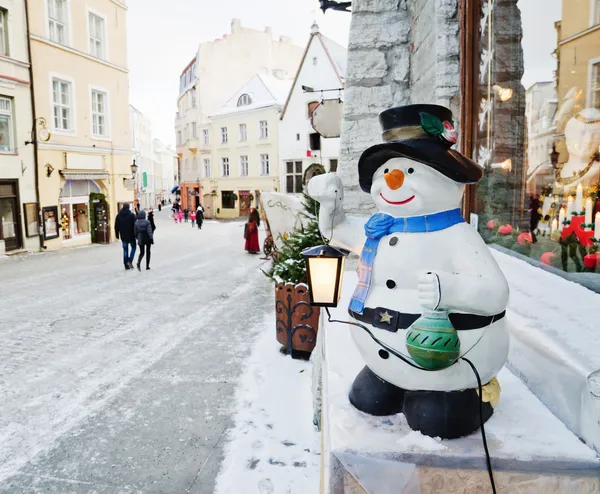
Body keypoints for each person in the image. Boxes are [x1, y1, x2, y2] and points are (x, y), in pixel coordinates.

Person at [115, 203, 137, 270]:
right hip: (131, 236)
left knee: (125, 250)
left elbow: (116, 226)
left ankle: (126, 265)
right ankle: (130, 261)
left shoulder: (118, 216)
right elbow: (135, 225)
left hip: (123, 236)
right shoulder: (132, 215)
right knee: (133, 248)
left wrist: (117, 235)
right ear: (128, 207)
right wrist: (136, 234)